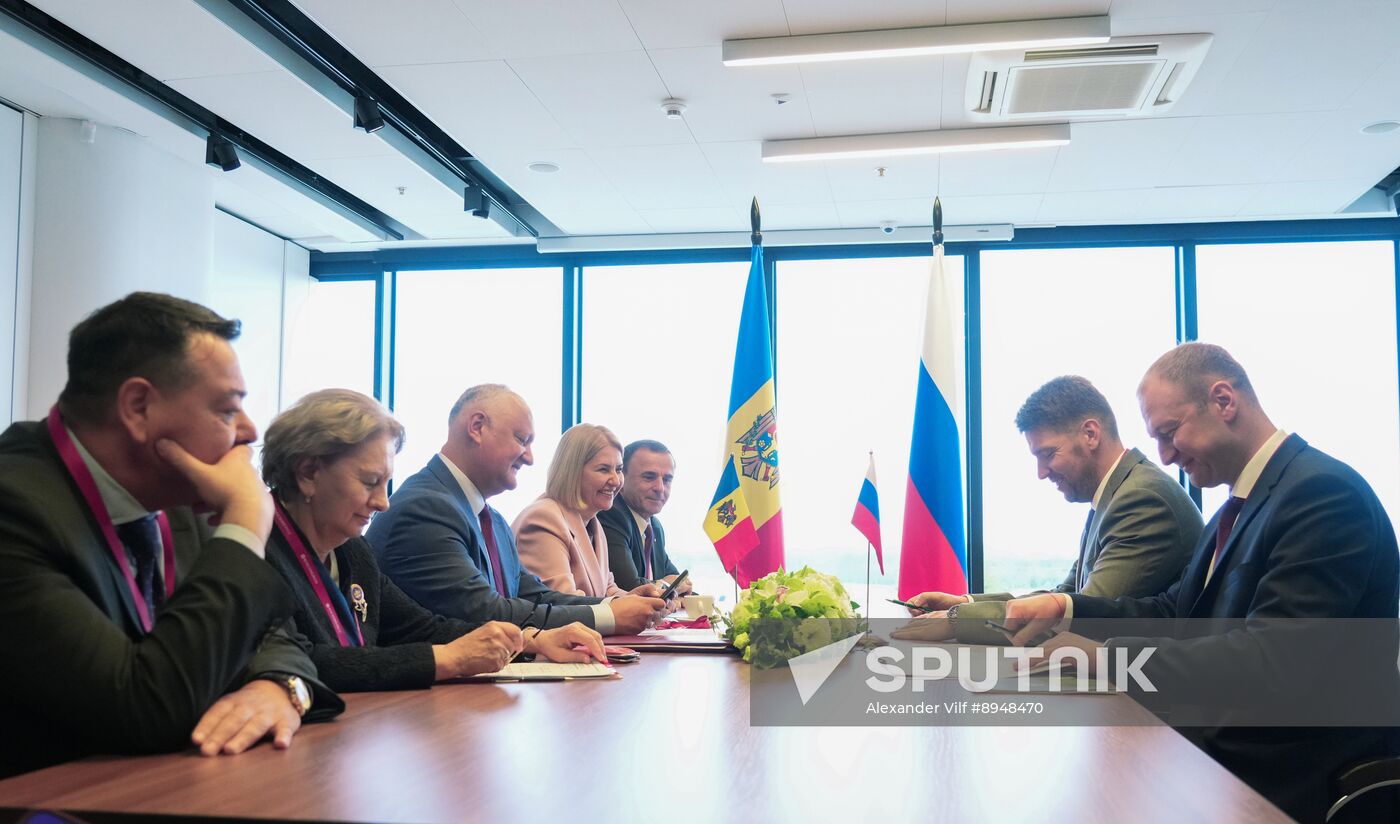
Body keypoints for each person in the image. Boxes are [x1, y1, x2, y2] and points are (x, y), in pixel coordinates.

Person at [996, 343, 1399, 822]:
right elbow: (1174, 613)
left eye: (1169, 432)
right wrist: (1067, 609)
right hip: (1221, 739)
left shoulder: (1322, 494)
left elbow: (1274, 660)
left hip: (1284, 766)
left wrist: (1106, 657)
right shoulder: (1239, 504)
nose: (1164, 456)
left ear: (1224, 402)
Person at [0, 292, 342, 778]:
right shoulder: (14, 508)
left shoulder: (175, 499)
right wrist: (245, 520)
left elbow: (273, 634)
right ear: (138, 407)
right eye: (227, 411)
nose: (249, 431)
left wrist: (277, 685)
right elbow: (142, 707)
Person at [260, 389, 606, 692]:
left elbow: (422, 627)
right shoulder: (259, 549)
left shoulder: (353, 551)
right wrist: (444, 659)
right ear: (307, 474)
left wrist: (531, 641)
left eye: (385, 484)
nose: (383, 502)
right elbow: (302, 660)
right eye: (369, 482)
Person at [903, 376, 1200, 643]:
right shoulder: (1117, 493)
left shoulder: (1142, 500)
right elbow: (1064, 597)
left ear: (1090, 434)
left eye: (1048, 454)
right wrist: (965, 604)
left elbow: (1080, 619)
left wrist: (958, 622)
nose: (1041, 472)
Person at [368, 384, 664, 635]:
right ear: (477, 427)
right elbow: (486, 613)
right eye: (522, 440)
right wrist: (610, 617)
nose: (530, 458)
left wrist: (613, 606)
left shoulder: (491, 519)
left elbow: (533, 594)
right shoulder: (425, 508)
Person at [515, 425, 674, 600]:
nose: (615, 480)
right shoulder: (544, 518)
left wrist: (637, 599)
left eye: (618, 469)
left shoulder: (592, 523)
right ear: (573, 471)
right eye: (604, 469)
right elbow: (562, 605)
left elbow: (608, 589)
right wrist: (627, 606)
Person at [600, 439, 690, 594]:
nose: (660, 488)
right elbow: (630, 586)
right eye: (649, 477)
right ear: (622, 479)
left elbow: (681, 581)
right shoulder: (611, 515)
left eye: (667, 479)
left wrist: (671, 586)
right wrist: (667, 586)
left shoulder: (654, 527)